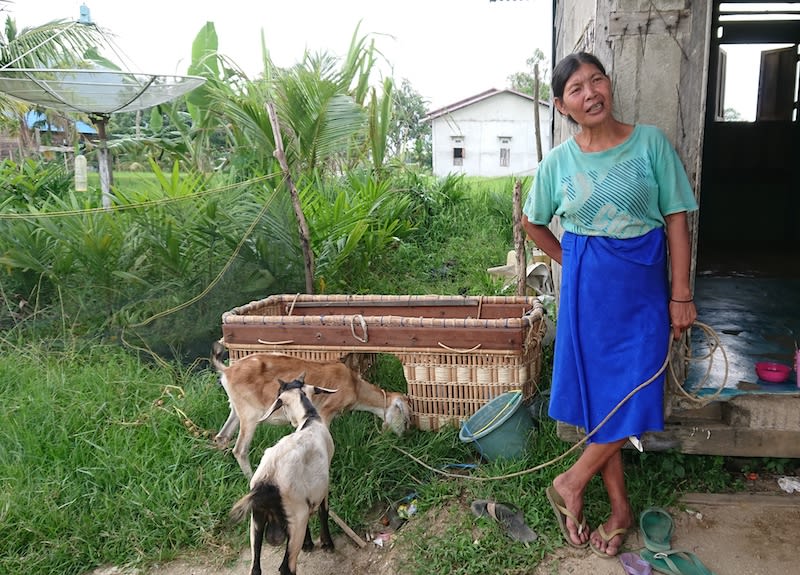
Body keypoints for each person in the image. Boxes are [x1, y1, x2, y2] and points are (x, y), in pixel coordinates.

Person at [521, 52, 698, 558]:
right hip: (587, 292)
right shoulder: (558, 163)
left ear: (609, 84)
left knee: (639, 388)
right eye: (576, 89)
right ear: (562, 106)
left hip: (643, 286)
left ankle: (571, 481)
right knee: (603, 402)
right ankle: (619, 511)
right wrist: (570, 260)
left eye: (596, 80)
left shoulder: (651, 144)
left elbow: (677, 218)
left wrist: (681, 293)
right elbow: (533, 222)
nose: (590, 93)